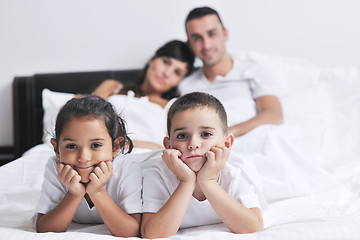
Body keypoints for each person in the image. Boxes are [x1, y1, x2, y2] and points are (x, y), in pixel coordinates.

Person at [141, 92, 265, 238]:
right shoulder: (157, 174)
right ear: (168, 145)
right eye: (182, 136)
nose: (193, 144)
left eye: (206, 134)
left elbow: (254, 227)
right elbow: (152, 234)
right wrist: (186, 181)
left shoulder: (237, 171)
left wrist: (208, 181)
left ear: (226, 144)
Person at [36, 95, 142, 237]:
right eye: (71, 146)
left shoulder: (127, 169)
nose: (83, 158)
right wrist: (74, 194)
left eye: (96, 145)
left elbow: (132, 232)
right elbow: (44, 229)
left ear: (115, 147)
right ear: (56, 149)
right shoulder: (55, 167)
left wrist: (98, 192)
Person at [179, 7, 283, 138]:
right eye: (197, 38)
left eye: (212, 34)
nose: (206, 45)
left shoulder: (252, 70)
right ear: (189, 44)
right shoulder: (185, 84)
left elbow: (273, 115)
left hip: (250, 143)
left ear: (225, 34)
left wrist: (225, 135)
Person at [93, 39, 195, 150]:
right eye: (166, 62)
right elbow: (84, 116)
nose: (167, 73)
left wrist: (125, 143)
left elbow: (170, 148)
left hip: (143, 156)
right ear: (152, 59)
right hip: (101, 151)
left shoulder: (172, 106)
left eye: (177, 72)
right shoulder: (113, 87)